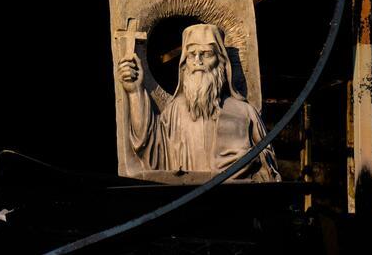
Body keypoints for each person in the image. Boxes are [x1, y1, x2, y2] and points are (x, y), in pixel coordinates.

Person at [118, 23, 280, 182]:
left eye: (206, 53)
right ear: (184, 64)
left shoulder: (244, 112)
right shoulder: (176, 111)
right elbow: (149, 145)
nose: (198, 61)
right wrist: (134, 91)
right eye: (191, 54)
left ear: (221, 61)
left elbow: (269, 165)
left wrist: (248, 159)